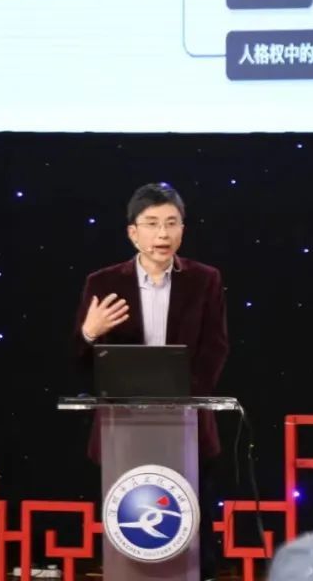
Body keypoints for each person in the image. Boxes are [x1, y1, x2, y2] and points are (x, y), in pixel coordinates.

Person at [71, 182, 229, 581]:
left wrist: (182, 399)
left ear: (182, 230)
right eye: (152, 223)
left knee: (194, 530)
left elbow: (216, 348)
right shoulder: (103, 283)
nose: (163, 234)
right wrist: (89, 333)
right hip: (122, 431)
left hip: (188, 427)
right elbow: (79, 359)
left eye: (172, 223)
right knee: (130, 528)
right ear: (132, 232)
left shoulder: (205, 280)